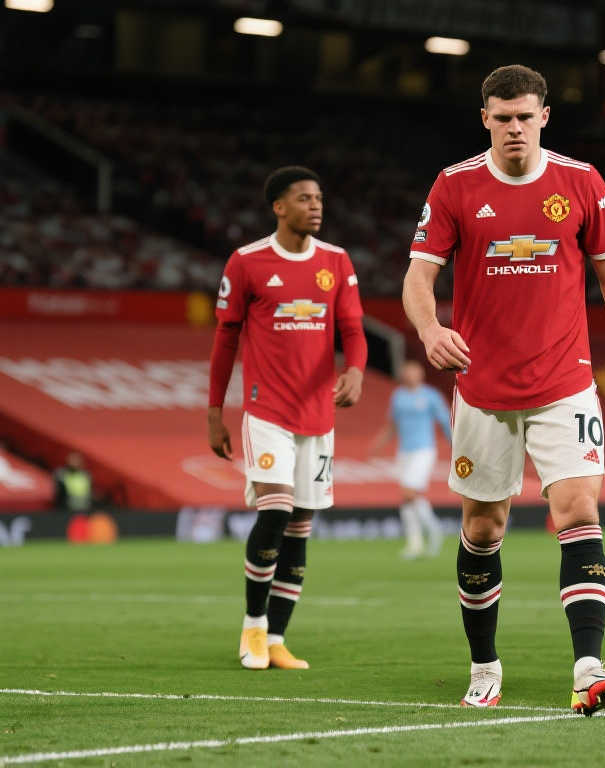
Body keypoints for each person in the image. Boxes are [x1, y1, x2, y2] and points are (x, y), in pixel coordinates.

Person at [402, 65, 605, 715]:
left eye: (525, 116)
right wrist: (429, 328)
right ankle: (484, 666)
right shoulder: (455, 186)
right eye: (503, 117)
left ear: (545, 117)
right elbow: (419, 276)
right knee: (483, 527)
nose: (515, 127)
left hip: (565, 381)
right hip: (482, 387)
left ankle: (588, 668)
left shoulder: (581, 182)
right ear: (485, 119)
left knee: (579, 510)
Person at [207, 166, 368, 671]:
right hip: (266, 410)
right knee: (275, 511)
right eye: (304, 198)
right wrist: (214, 412)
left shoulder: (336, 262)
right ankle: (253, 627)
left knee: (300, 526)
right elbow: (225, 339)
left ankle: (276, 639)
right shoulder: (247, 262)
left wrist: (356, 370)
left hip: (317, 416)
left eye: (318, 198)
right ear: (279, 207)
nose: (315, 206)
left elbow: (353, 330)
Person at [371, 359, 452, 558]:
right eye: (407, 372)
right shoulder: (398, 396)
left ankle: (434, 530)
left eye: (414, 372)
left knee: (409, 492)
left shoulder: (431, 395)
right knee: (408, 499)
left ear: (421, 375)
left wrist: (455, 445)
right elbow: (392, 425)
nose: (410, 376)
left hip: (424, 450)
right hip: (404, 452)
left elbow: (445, 421)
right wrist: (379, 444)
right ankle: (415, 544)